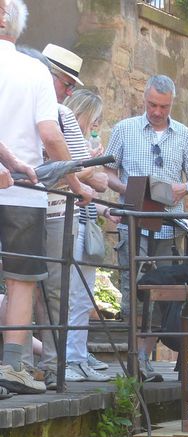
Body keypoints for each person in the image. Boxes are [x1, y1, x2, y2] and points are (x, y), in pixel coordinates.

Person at [0, 0, 89, 395]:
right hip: (24, 190)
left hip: (14, 177)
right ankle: (12, 367)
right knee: (22, 282)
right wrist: (77, 184)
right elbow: (50, 136)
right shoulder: (33, 70)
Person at [106, 73, 188, 382]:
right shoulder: (124, 129)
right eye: (152, 105)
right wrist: (127, 190)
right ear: (144, 100)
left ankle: (145, 358)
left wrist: (183, 189)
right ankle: (135, 359)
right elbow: (106, 172)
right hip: (134, 223)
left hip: (168, 227)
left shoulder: (184, 135)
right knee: (132, 290)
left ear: (171, 104)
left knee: (162, 293)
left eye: (163, 106)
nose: (157, 112)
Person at [29, 45, 110, 387]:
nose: (69, 90)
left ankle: (47, 363)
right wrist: (81, 178)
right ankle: (53, 364)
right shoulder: (58, 114)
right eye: (67, 82)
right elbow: (93, 175)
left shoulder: (50, 111)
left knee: (39, 289)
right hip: (52, 212)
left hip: (36, 207)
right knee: (53, 291)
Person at [63, 88, 114, 381]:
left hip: (88, 219)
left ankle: (78, 355)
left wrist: (106, 210)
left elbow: (99, 184)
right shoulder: (68, 139)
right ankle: (70, 357)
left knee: (84, 296)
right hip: (72, 222)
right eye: (94, 120)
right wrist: (92, 167)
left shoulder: (84, 142)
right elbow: (83, 177)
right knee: (73, 293)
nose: (95, 126)